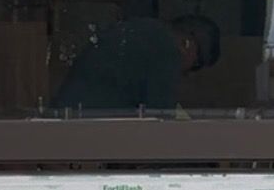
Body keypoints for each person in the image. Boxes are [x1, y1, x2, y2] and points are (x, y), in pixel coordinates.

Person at [52, 13, 221, 114]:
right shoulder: (165, 48)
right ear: (188, 43)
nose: (188, 74)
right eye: (197, 64)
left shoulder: (139, 31)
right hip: (88, 131)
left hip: (70, 121)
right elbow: (160, 119)